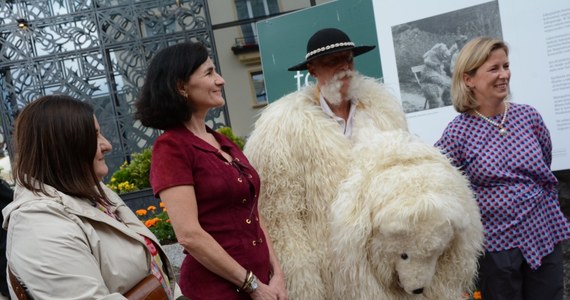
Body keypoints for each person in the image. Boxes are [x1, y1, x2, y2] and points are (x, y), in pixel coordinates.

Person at [243, 28, 408, 300]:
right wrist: (304, 282)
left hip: (386, 262)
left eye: (349, 59)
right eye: (333, 61)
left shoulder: (384, 114)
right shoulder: (282, 129)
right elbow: (280, 217)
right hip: (332, 270)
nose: (344, 67)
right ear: (312, 70)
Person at [134, 42, 287, 300]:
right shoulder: (171, 147)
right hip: (216, 291)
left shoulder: (224, 143)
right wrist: (253, 285)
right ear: (181, 86)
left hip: (262, 284)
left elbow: (254, 214)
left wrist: (277, 274)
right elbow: (189, 235)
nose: (221, 80)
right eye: (209, 73)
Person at [2, 95, 177, 299]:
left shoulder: (92, 193)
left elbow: (155, 267)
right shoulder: (39, 226)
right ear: (65, 146)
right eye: (94, 136)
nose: (107, 145)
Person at [435, 36, 570, 300]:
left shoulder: (528, 117)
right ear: (468, 79)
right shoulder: (457, 133)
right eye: (494, 68)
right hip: (496, 248)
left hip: (542, 232)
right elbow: (445, 188)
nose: (504, 75)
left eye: (506, 66)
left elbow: (545, 162)